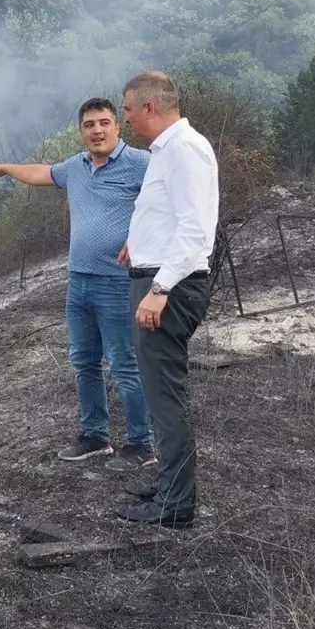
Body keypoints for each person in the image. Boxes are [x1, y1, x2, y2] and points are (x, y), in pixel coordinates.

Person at [0, 98, 155, 468]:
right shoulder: (76, 167)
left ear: (118, 126)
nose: (97, 130)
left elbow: (171, 204)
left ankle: (142, 445)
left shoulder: (142, 163)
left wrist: (143, 238)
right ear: (81, 132)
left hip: (118, 283)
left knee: (124, 364)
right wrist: (5, 169)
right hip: (79, 282)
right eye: (89, 125)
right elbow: (43, 173)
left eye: (104, 122)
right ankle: (95, 436)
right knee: (84, 362)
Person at [114, 72, 218, 529]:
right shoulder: (168, 150)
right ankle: (170, 486)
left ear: (150, 108)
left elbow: (196, 229)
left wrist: (159, 290)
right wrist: (140, 242)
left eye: (128, 109)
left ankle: (176, 506)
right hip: (157, 276)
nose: (126, 117)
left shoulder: (184, 149)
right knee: (160, 397)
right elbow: (169, 216)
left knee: (166, 397)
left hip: (169, 288)